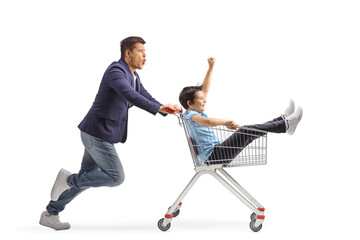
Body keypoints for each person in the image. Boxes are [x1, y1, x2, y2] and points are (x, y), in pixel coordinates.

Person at [40, 36, 180, 230]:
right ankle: (68, 179)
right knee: (116, 177)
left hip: (101, 133)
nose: (145, 56)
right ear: (127, 53)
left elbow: (143, 94)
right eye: (141, 51)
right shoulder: (116, 71)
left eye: (145, 52)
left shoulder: (133, 75)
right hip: (97, 133)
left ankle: (50, 213)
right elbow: (130, 95)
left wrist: (162, 107)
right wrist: (157, 109)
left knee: (87, 177)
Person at [178, 57, 303, 164]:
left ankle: (282, 121)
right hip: (214, 156)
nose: (204, 100)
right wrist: (226, 122)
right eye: (201, 99)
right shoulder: (190, 114)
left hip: (216, 153)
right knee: (245, 131)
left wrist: (210, 67)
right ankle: (284, 125)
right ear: (189, 103)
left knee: (247, 131)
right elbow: (208, 122)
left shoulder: (192, 112)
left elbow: (204, 90)